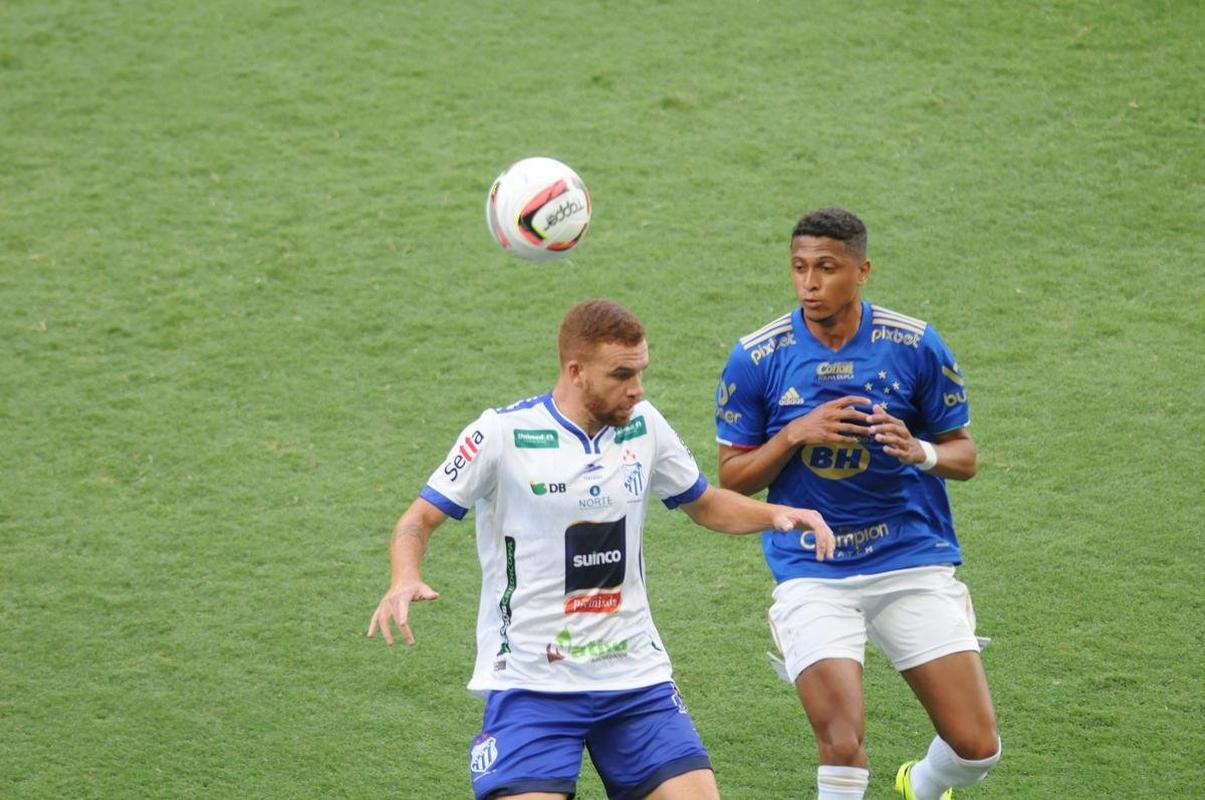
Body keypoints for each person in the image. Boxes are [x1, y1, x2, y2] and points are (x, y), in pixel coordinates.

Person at [368, 298, 836, 800]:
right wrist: (404, 575)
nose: (636, 389)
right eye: (621, 375)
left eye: (641, 372)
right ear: (576, 371)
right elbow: (418, 519)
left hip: (635, 678)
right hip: (532, 684)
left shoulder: (644, 424)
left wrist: (778, 515)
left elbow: (704, 503)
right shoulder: (502, 434)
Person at [713, 208, 1002, 800]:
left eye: (826, 268)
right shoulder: (758, 358)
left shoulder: (914, 344)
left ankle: (918, 787)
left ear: (862, 270)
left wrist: (917, 449)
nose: (809, 283)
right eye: (799, 268)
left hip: (910, 559)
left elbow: (964, 457)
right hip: (812, 568)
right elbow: (732, 478)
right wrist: (795, 434)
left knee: (977, 749)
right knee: (842, 744)